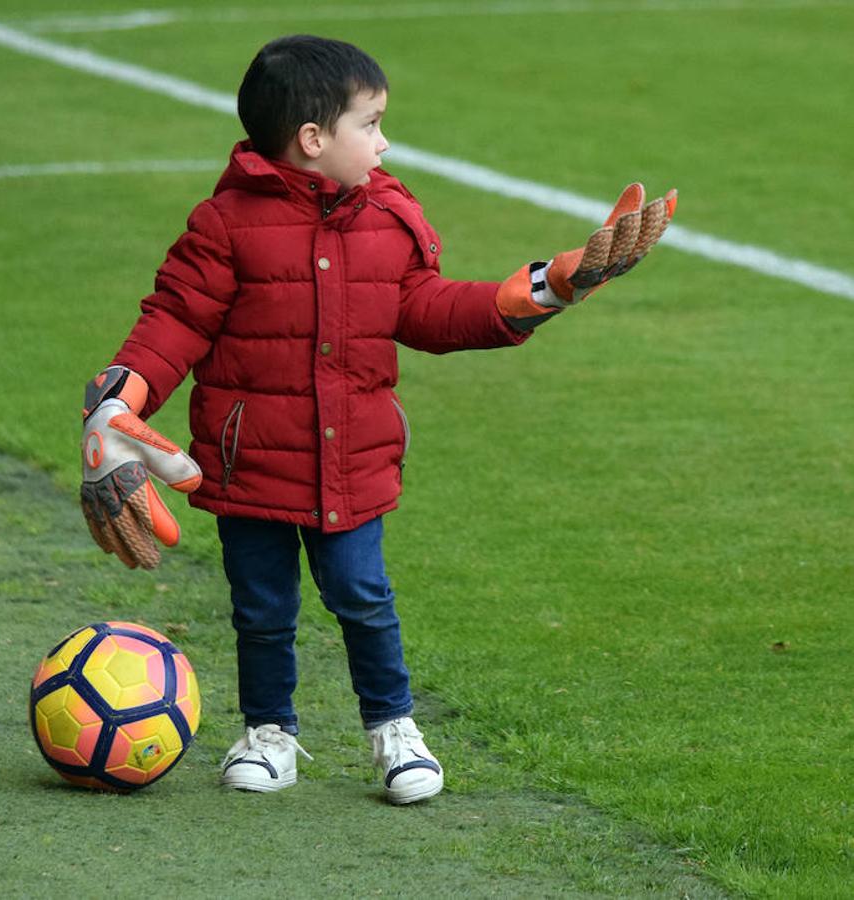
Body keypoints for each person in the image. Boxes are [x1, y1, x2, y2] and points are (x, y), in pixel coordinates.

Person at [79, 35, 676, 804]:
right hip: (247, 464)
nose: (384, 141)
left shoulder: (388, 214)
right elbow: (173, 322)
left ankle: (393, 730)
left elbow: (425, 307)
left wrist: (540, 290)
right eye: (371, 123)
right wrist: (118, 398)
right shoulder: (223, 226)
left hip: (349, 460)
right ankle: (269, 733)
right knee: (260, 608)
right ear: (313, 140)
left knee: (363, 597)